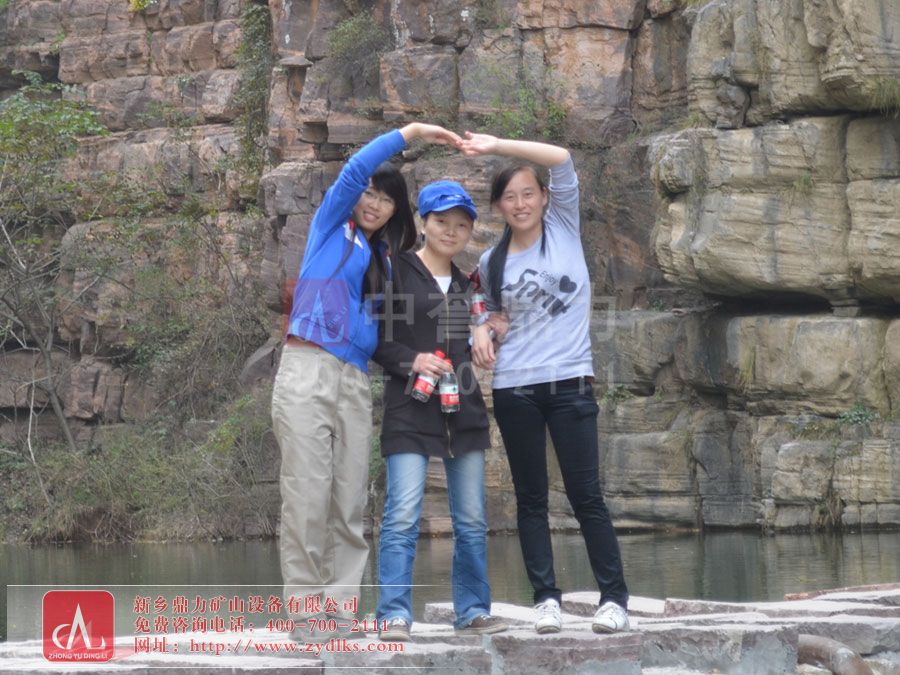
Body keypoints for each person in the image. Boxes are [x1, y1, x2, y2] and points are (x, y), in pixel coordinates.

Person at [271, 123, 462, 640]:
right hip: (308, 368)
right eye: (369, 194)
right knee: (308, 495)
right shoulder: (331, 226)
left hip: (354, 380)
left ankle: (339, 613)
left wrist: (426, 355)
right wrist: (410, 132)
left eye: (385, 198)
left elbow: (390, 332)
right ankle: (306, 616)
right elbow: (355, 169)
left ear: (396, 210)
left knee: (349, 501)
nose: (374, 203)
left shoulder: (384, 264)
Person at [465, 132, 631, 635]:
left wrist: (496, 144)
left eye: (528, 194)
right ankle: (545, 600)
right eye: (509, 197)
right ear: (499, 206)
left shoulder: (562, 227)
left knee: (586, 496)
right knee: (531, 498)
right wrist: (481, 330)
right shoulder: (492, 262)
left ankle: (614, 600)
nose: (520, 204)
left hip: (569, 383)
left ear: (543, 198)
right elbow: (489, 316)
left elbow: (560, 158)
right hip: (515, 387)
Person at [372, 180, 509, 641]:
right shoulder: (395, 271)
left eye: (462, 225)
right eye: (441, 221)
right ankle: (393, 614)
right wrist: (412, 360)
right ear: (423, 223)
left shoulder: (470, 286)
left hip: (462, 409)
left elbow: (491, 324)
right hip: (409, 407)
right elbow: (375, 340)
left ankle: (472, 610)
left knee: (471, 521)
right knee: (402, 516)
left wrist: (487, 332)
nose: (451, 231)